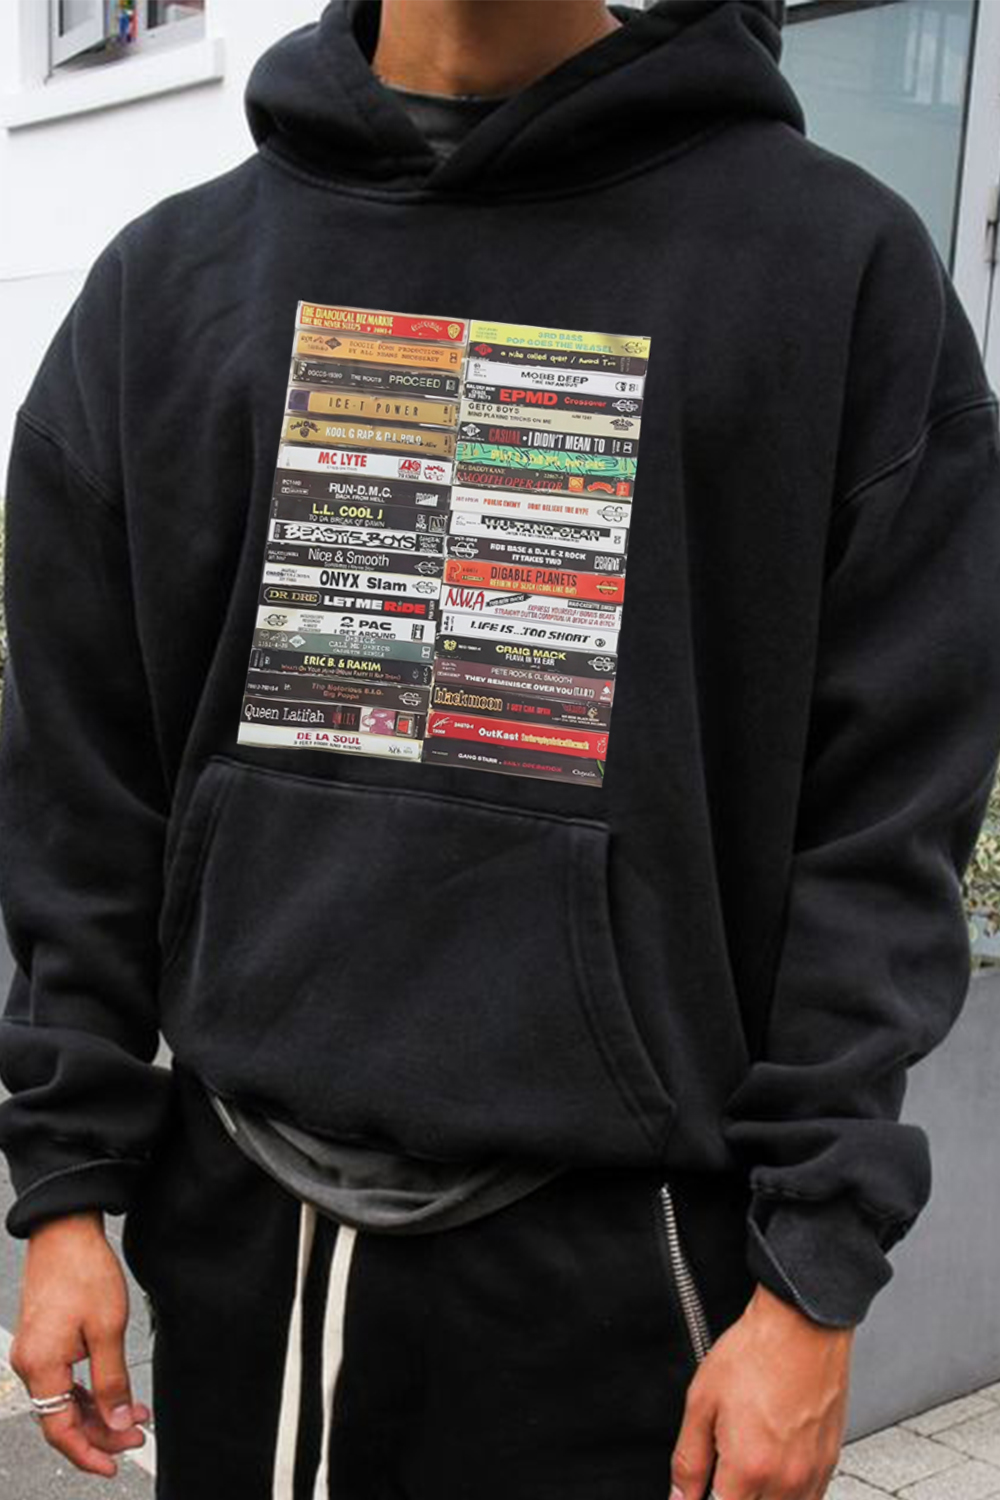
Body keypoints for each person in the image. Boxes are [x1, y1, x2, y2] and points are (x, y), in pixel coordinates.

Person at [1, 0, 999, 1495]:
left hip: (635, 1278)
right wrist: (68, 1183)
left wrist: (813, 1272)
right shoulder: (173, 284)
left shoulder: (830, 272)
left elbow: (887, 816)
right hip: (245, 1258)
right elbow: (84, 780)